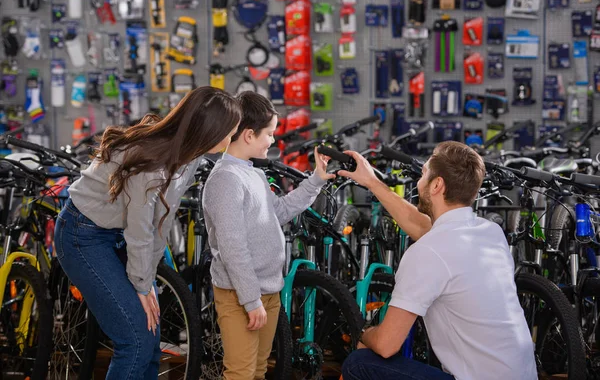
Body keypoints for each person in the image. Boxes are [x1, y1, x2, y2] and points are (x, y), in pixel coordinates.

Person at [54, 86, 242, 379]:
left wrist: (147, 276)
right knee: (136, 341)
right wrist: (142, 285)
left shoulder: (190, 155)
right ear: (209, 131)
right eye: (229, 131)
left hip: (118, 233)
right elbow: (141, 229)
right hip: (83, 235)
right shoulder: (151, 161)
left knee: (151, 336)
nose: (231, 138)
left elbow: (161, 221)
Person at [338, 141, 537, 380]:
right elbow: (425, 228)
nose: (418, 183)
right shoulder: (491, 232)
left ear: (437, 185)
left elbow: (386, 344)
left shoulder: (428, 251)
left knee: (359, 362)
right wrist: (371, 181)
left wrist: (362, 331)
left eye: (423, 175)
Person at [202, 91, 334, 380]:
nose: (273, 141)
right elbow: (232, 248)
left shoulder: (254, 174)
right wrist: (250, 301)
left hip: (267, 291)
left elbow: (281, 210)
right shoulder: (225, 180)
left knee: (258, 371)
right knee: (241, 373)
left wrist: (315, 182)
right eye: (270, 134)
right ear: (249, 135)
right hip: (241, 295)